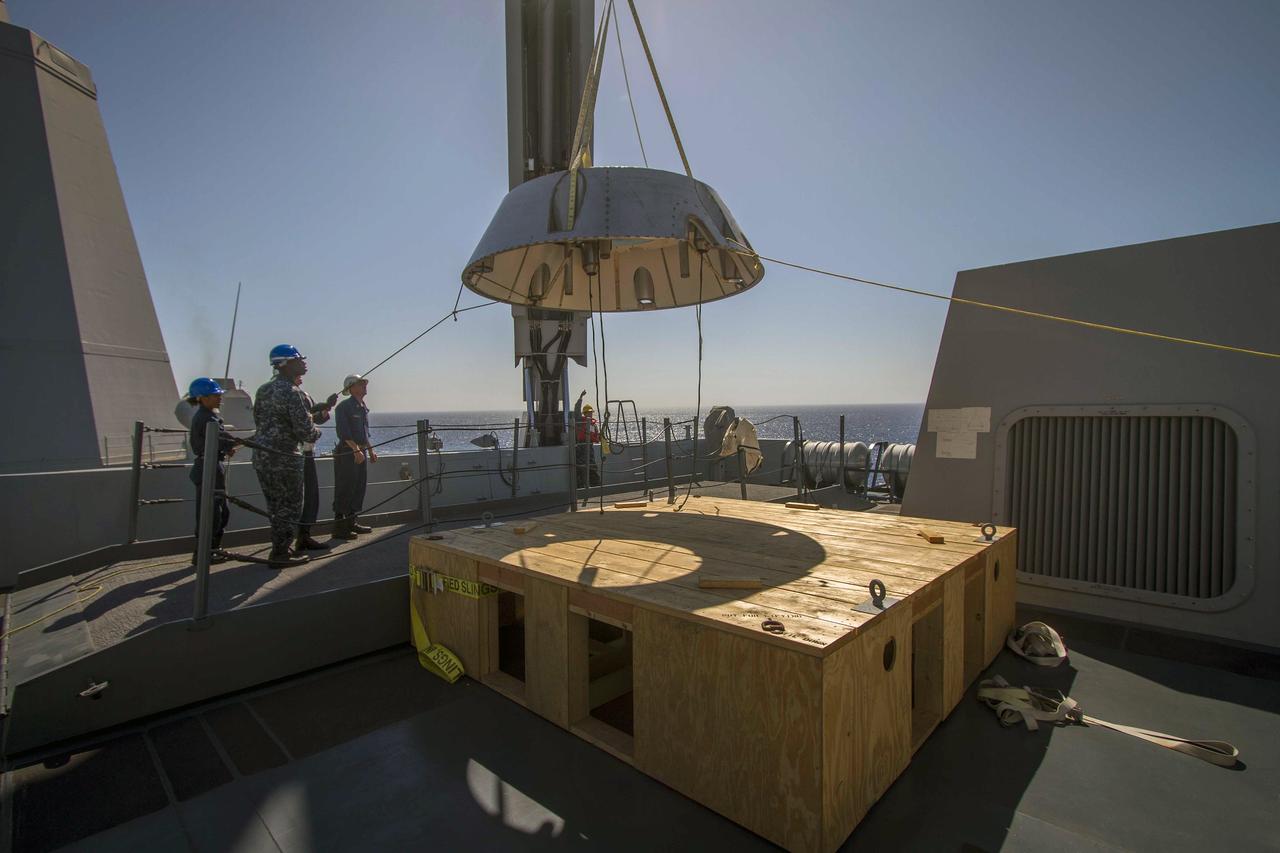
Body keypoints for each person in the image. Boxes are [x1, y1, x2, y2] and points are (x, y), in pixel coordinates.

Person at [252, 344, 320, 568]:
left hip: (262, 456)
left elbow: (261, 421)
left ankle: (279, 548)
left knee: (274, 506)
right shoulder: (293, 392)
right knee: (290, 505)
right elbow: (305, 431)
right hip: (285, 458)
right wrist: (316, 429)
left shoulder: (263, 390)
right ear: (286, 364)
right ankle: (280, 553)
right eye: (299, 359)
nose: (304, 362)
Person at [186, 378, 239, 564]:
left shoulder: (205, 416)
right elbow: (222, 438)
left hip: (209, 465)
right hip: (208, 468)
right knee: (212, 513)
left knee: (219, 511)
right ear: (202, 398)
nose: (219, 399)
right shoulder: (207, 418)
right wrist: (233, 443)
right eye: (215, 396)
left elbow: (219, 441)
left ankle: (210, 550)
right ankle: (205, 553)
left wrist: (225, 447)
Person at [293, 375, 339, 551]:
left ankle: (304, 535)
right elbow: (304, 420)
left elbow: (315, 418)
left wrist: (327, 407)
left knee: (311, 496)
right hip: (296, 453)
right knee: (297, 498)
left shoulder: (303, 395)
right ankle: (290, 541)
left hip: (307, 452)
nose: (302, 377)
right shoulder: (290, 395)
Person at [332, 373, 377, 539]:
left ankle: (352, 522)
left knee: (358, 486)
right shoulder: (344, 407)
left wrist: (370, 450)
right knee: (345, 487)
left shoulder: (362, 407)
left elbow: (364, 433)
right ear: (351, 388)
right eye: (360, 383)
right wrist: (355, 450)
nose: (365, 386)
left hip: (360, 451)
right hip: (347, 452)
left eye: (364, 383)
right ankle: (339, 526)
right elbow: (343, 432)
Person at [574, 392, 600, 487]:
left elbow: (597, 437)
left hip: (589, 447)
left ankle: (595, 485)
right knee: (581, 468)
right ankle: (580, 487)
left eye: (591, 412)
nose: (590, 414)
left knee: (592, 466)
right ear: (584, 413)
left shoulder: (593, 425)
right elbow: (576, 411)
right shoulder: (580, 421)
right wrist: (580, 398)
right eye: (588, 412)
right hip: (581, 447)